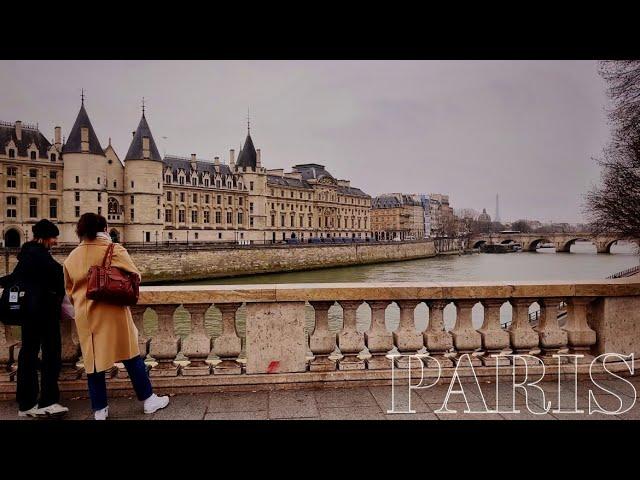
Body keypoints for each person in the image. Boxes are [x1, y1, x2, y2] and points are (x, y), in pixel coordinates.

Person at [63, 213, 169, 420]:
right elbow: (136, 276)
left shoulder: (71, 256)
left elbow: (69, 290)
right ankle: (148, 400)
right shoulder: (113, 249)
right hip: (113, 312)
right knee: (130, 356)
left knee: (93, 364)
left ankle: (100, 410)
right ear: (103, 228)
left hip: (86, 317)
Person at [0, 219, 69, 417]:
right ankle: (48, 401)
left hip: (28, 315)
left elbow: (13, 279)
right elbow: (59, 281)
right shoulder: (41, 257)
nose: (55, 241)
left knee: (27, 356)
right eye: (54, 237)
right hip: (44, 314)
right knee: (51, 357)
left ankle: (26, 403)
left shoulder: (26, 256)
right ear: (45, 238)